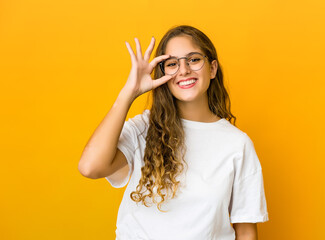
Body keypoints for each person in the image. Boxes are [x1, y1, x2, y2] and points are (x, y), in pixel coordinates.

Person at [78, 25, 269, 240]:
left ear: (212, 68)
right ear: (163, 75)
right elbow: (90, 167)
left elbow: (245, 231)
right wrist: (128, 93)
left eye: (194, 59)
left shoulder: (237, 144)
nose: (184, 70)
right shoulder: (144, 128)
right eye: (172, 64)